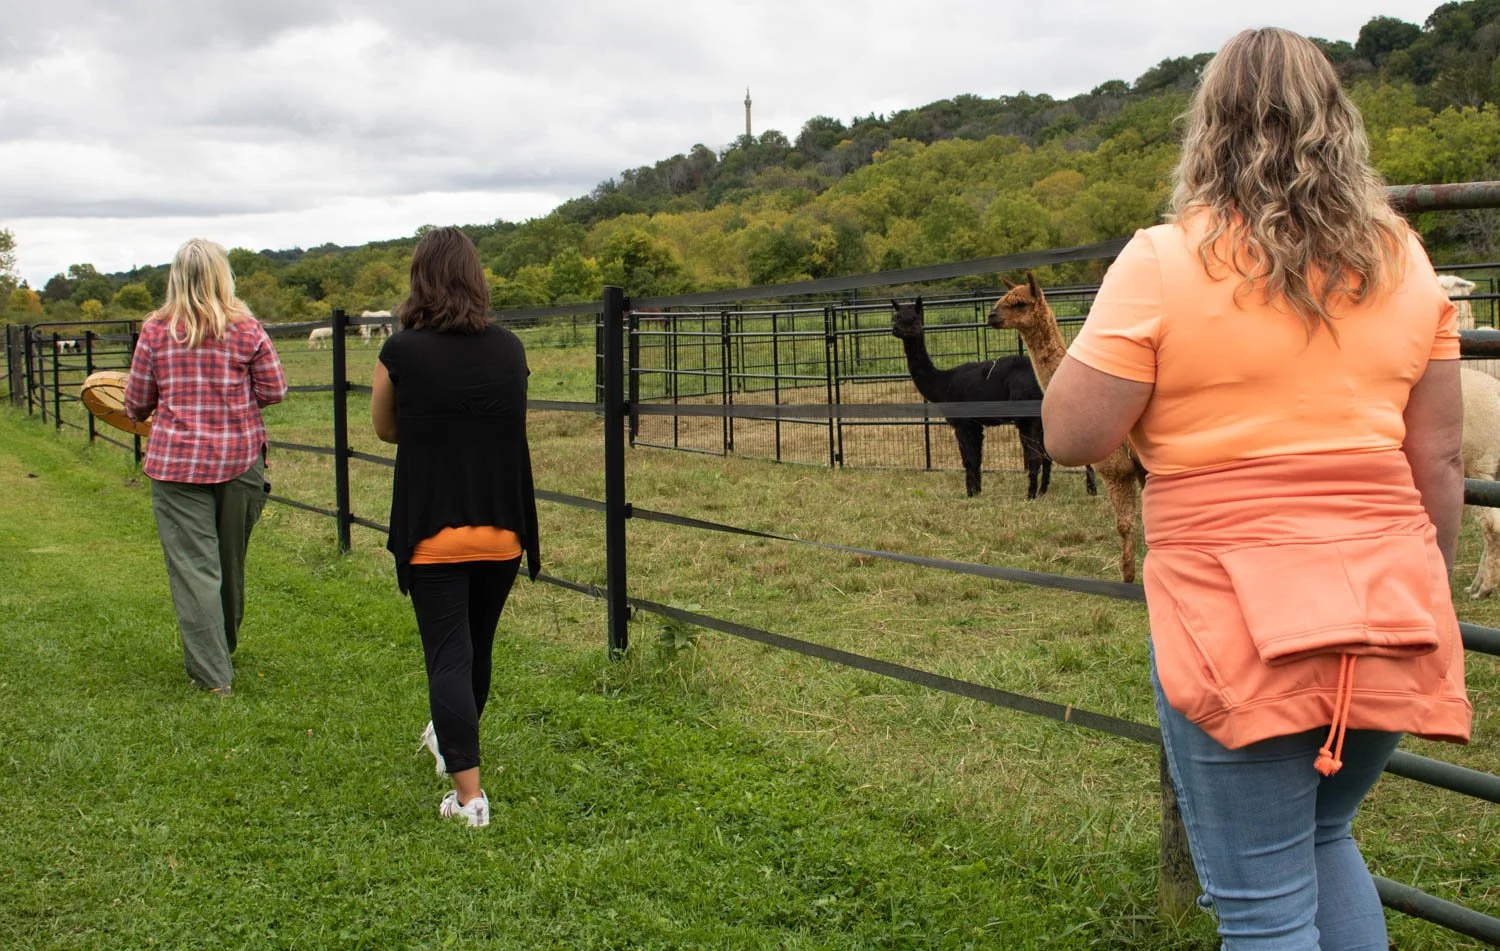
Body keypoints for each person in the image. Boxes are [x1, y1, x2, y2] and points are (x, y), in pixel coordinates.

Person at [1040, 28, 1471, 950]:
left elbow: (1073, 434)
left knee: (1263, 905)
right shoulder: (1405, 258)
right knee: (1324, 832)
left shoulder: (1162, 259)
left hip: (1234, 613)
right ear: (1338, 122)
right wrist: (1425, 590)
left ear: (1209, 127)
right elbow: (1437, 459)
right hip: (1388, 607)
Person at [372, 226, 540, 829]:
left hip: (434, 534)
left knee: (448, 656)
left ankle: (470, 799)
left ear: (419, 278)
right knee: (475, 650)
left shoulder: (401, 351)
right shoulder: (510, 349)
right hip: (502, 532)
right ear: (476, 277)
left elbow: (384, 429)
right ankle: (449, 742)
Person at [125, 238, 286, 696]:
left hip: (175, 465)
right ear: (222, 275)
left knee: (195, 569)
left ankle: (213, 674)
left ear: (175, 277)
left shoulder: (155, 331)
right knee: (229, 565)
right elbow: (274, 390)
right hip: (239, 463)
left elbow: (135, 402)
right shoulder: (247, 328)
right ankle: (219, 655)